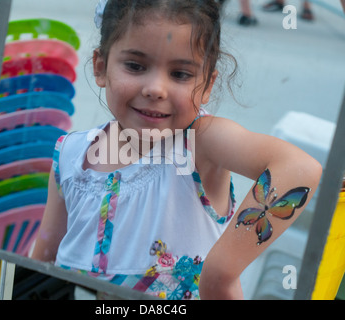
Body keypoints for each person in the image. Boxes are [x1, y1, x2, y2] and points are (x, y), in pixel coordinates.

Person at [31, 0, 322, 300]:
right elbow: (42, 259)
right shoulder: (70, 155)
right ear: (101, 66)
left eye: (180, 74)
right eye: (135, 66)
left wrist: (220, 273)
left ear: (207, 84)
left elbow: (299, 169)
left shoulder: (200, 143)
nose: (156, 88)